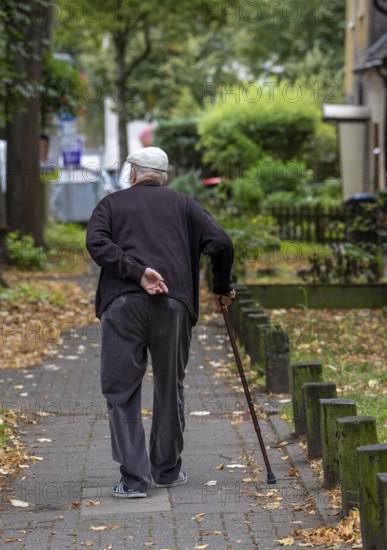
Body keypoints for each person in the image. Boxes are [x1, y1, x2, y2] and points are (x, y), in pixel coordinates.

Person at [86, 146, 234, 498]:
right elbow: (222, 243)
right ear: (163, 176)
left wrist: (136, 272)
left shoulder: (111, 204)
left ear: (133, 172)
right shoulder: (185, 205)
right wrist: (221, 287)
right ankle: (167, 471)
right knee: (170, 385)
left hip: (123, 305)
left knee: (121, 390)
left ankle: (135, 481)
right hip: (174, 304)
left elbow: (96, 243)